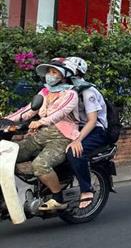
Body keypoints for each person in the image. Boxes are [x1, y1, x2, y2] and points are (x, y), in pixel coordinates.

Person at [2, 58, 80, 212]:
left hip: (61, 138)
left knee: (40, 165)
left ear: (64, 76)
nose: (50, 75)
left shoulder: (70, 94)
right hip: (41, 135)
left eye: (54, 72)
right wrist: (6, 120)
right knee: (7, 153)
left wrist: (41, 122)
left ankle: (58, 198)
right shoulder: (44, 92)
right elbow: (28, 110)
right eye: (49, 72)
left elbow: (60, 112)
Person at [63, 56, 108, 210]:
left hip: (95, 130)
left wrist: (78, 140)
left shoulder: (88, 91)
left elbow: (92, 120)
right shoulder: (65, 90)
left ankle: (86, 189)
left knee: (74, 152)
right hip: (75, 128)